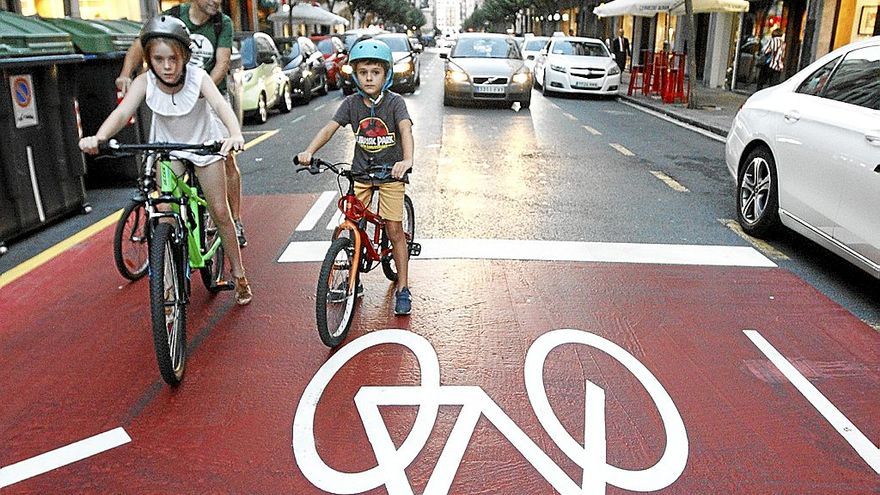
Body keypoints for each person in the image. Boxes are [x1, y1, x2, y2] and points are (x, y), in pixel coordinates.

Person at [80, 15, 253, 306]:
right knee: (167, 214)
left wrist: (234, 134)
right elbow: (122, 114)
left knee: (220, 212)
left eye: (173, 58)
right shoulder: (144, 81)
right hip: (168, 150)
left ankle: (238, 273)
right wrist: (98, 137)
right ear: (149, 59)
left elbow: (221, 106)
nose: (168, 66)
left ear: (184, 55)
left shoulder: (197, 77)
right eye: (159, 59)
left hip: (203, 147)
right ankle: (171, 274)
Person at [115, 0, 248, 249]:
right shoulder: (173, 16)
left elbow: (222, 64)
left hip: (209, 95)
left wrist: (198, 90)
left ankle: (236, 219)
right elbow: (139, 44)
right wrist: (125, 73)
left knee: (226, 157)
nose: (215, 2)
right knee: (165, 160)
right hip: (174, 94)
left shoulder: (222, 23)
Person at [296, 39, 414, 316]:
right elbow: (330, 128)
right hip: (360, 173)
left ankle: (403, 288)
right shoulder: (351, 104)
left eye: (375, 72)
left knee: (394, 229)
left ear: (386, 74)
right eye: (363, 72)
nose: (369, 77)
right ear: (355, 75)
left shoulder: (395, 103)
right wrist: (309, 151)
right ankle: (353, 279)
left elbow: (406, 131)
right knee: (350, 225)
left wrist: (406, 161)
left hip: (390, 175)